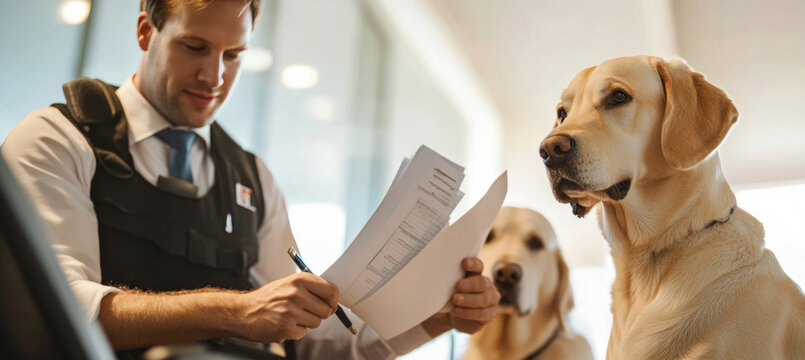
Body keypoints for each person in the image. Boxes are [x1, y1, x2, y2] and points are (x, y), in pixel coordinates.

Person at [0, 0, 500, 358]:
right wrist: (237, 312)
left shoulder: (253, 178)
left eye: (233, 55)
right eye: (195, 47)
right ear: (145, 32)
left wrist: (440, 318)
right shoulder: (58, 139)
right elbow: (59, 307)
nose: (214, 77)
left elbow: (318, 342)